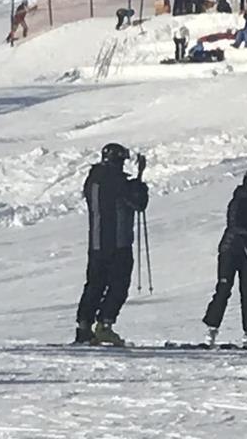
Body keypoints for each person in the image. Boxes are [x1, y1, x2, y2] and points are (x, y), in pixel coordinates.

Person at [76, 143, 149, 346]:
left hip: (97, 241)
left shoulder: (92, 180)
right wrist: (140, 180)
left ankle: (84, 327)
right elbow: (138, 203)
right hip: (118, 242)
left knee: (94, 284)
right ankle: (104, 325)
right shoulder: (117, 180)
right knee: (118, 285)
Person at [204, 170, 247, 347]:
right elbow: (234, 226)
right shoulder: (237, 202)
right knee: (224, 288)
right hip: (231, 249)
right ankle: (211, 329)